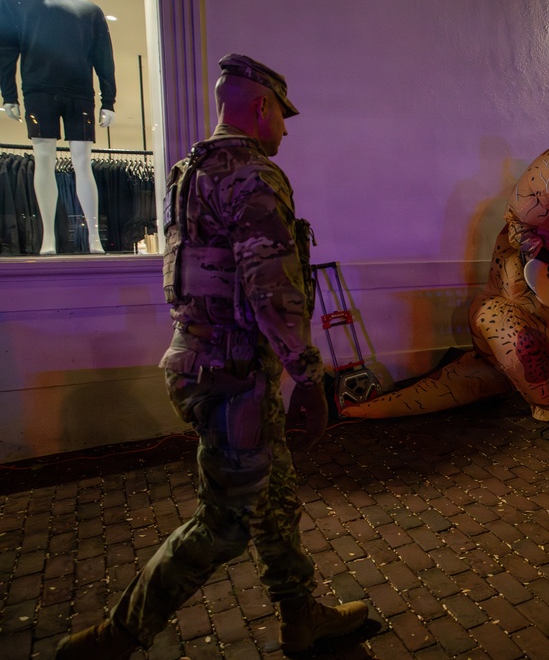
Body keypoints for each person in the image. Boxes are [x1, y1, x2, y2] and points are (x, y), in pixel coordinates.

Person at [55, 54, 368, 659]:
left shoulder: (188, 171)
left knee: (274, 497)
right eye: (283, 115)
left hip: (207, 362)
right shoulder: (252, 176)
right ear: (262, 108)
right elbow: (270, 286)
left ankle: (301, 615)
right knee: (223, 525)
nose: (286, 129)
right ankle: (118, 636)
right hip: (233, 376)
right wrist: (309, 378)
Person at [0, 0, 116, 254]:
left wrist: (108, 100)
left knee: (82, 162)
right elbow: (6, 48)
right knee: (44, 159)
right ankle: (48, 238)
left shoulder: (90, 10)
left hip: (79, 93)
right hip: (39, 90)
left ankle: (94, 237)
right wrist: (8, 94)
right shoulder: (15, 2)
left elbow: (103, 57)